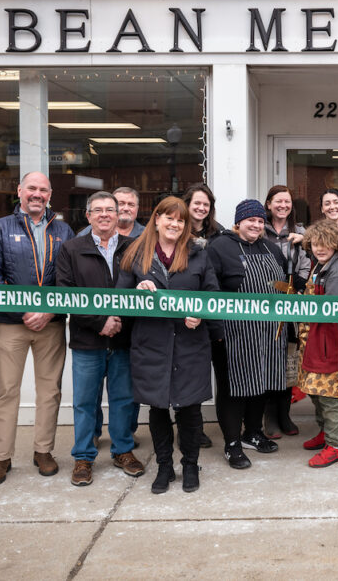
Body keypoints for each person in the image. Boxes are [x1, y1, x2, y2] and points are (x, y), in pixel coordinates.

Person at [118, 197, 221, 492]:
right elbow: (119, 300)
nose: (175, 224)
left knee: (189, 410)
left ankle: (190, 465)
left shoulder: (198, 255)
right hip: (152, 344)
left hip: (190, 344)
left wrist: (200, 315)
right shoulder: (136, 253)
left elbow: (213, 296)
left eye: (181, 220)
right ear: (157, 219)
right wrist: (137, 291)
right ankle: (164, 467)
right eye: (169, 218)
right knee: (158, 408)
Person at [0, 172, 74, 485]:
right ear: (19, 191)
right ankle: (1, 457)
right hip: (11, 324)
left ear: (50, 194)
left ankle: (43, 451)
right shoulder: (0, 228)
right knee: (6, 391)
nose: (37, 194)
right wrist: (24, 312)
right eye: (31, 188)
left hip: (52, 323)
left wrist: (48, 311)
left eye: (43, 189)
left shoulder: (62, 230)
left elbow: (69, 279)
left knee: (50, 390)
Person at [56, 191, 144, 488]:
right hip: (87, 340)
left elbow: (140, 291)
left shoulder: (134, 247)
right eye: (98, 210)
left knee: (123, 400)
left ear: (119, 214)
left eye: (110, 209)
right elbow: (66, 294)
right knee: (84, 402)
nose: (105, 214)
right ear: (88, 215)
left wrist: (119, 321)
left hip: (123, 339)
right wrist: (100, 322)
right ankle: (83, 457)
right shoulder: (71, 249)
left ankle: (123, 451)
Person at [206, 199, 290, 469]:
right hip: (233, 332)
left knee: (260, 383)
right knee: (232, 389)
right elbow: (210, 289)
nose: (256, 224)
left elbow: (285, 283)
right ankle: (232, 443)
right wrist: (216, 328)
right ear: (238, 222)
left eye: (259, 220)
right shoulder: (219, 246)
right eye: (250, 220)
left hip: (268, 332)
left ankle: (252, 432)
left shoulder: (272, 248)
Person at [298, 220, 338, 467]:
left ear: (336, 245)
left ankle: (335, 445)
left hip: (328, 341)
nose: (320, 248)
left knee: (330, 395)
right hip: (314, 339)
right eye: (316, 243)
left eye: (326, 244)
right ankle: (324, 433)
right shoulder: (319, 265)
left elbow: (331, 310)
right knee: (315, 390)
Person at [262, 185, 310, 439]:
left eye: (287, 201)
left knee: (288, 360)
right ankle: (270, 416)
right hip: (266, 304)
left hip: (291, 304)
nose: (283, 205)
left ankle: (284, 414)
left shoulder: (301, 233)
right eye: (278, 201)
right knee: (269, 358)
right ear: (268, 203)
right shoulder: (260, 229)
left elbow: (306, 265)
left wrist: (297, 287)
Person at [181, 182, 222, 449]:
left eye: (205, 204)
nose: (201, 208)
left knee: (205, 375)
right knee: (186, 376)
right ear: (187, 204)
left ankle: (195, 428)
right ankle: (187, 430)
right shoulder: (175, 230)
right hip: (183, 316)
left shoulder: (219, 234)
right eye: (196, 203)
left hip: (211, 313)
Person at [78, 186, 145, 239]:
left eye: (131, 205)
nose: (126, 209)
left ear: (137, 209)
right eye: (121, 204)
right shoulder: (86, 234)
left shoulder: (148, 235)